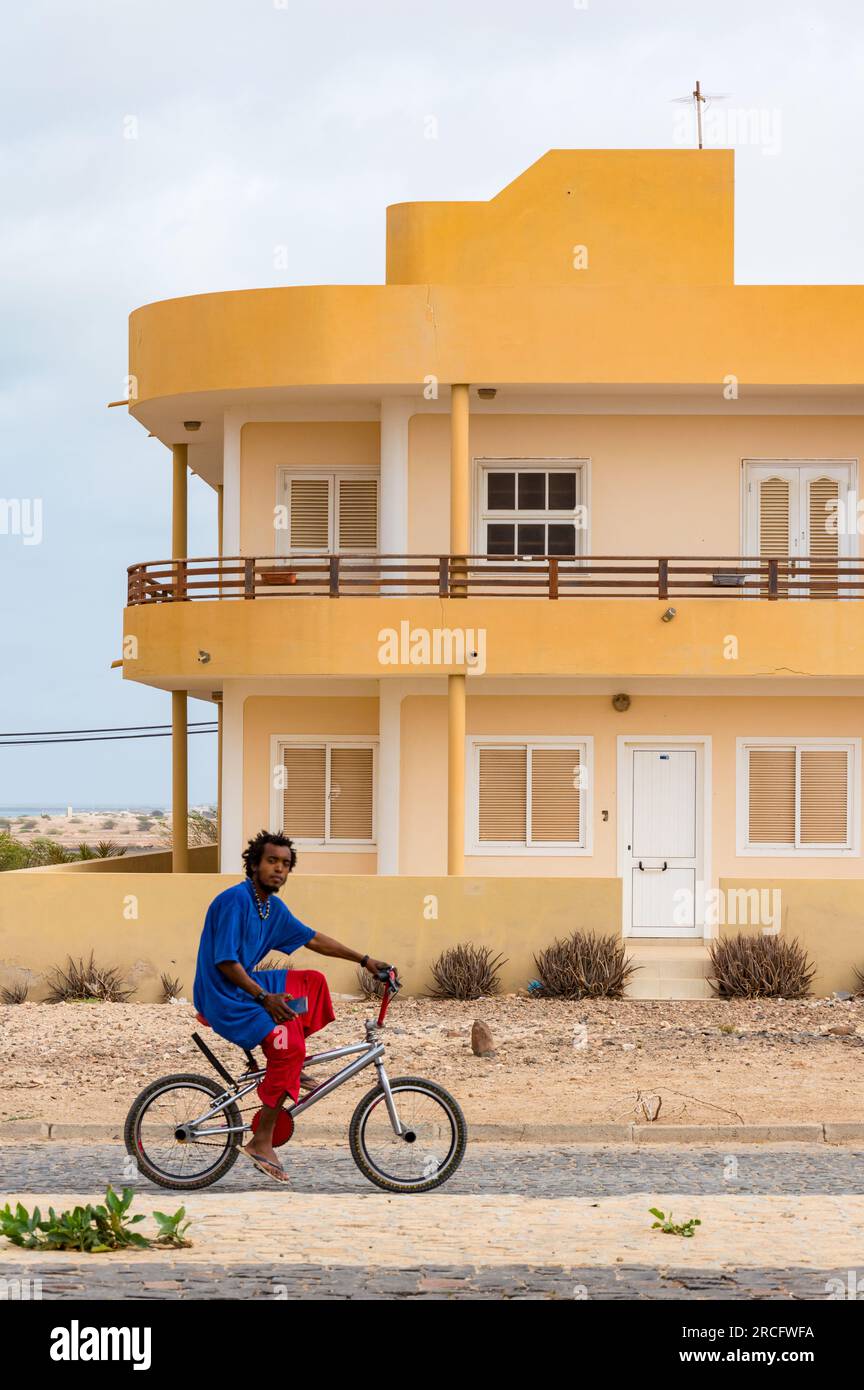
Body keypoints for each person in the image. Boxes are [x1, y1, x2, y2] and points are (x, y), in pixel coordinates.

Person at [193, 829, 393, 1183]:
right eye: (271, 861)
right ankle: (261, 1140)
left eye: (285, 864)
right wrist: (263, 997)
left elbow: (313, 938)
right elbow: (225, 962)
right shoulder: (234, 901)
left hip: (246, 987)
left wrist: (364, 960)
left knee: (312, 984)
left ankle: (286, 1064)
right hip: (224, 994)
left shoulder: (271, 907)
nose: (279, 870)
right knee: (289, 1049)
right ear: (254, 864)